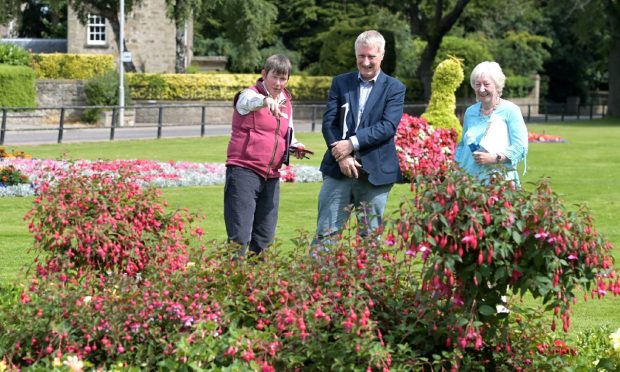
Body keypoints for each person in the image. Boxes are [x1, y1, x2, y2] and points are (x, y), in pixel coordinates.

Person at [313, 30, 406, 245]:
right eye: (361, 56)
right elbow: (329, 123)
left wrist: (351, 143)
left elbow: (387, 126)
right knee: (325, 235)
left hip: (376, 172)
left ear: (382, 55)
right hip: (338, 170)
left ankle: (369, 280)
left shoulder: (395, 88)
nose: (365, 62)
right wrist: (342, 156)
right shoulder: (340, 83)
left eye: (371, 57)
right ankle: (318, 279)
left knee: (370, 240)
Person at [224, 54, 310, 257]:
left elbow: (286, 134)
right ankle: (228, 284)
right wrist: (265, 101)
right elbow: (249, 102)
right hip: (244, 171)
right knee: (239, 238)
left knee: (264, 239)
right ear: (264, 74)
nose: (279, 83)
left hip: (271, 176)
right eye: (275, 77)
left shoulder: (286, 102)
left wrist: (295, 146)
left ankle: (257, 286)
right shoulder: (248, 95)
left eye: (283, 78)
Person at [455, 61, 528, 186]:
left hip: (499, 181)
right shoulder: (470, 112)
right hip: (468, 181)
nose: (481, 89)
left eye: (486, 84)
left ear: (497, 85)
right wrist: (455, 168)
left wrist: (494, 158)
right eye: (478, 84)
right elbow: (462, 145)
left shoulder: (511, 110)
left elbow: (520, 147)